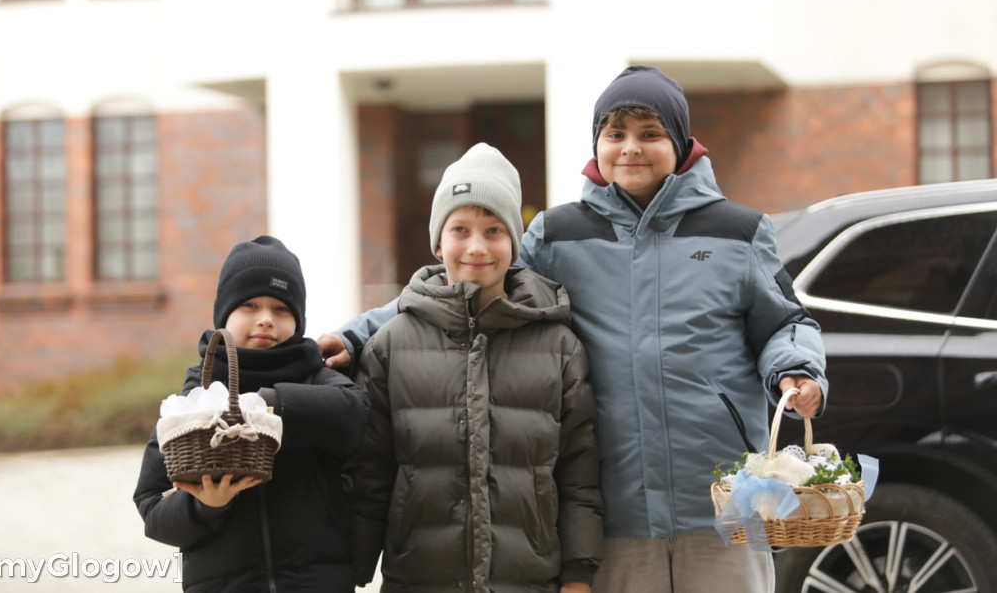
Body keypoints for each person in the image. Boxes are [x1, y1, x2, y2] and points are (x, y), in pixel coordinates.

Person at [319, 67, 828, 592]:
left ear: (680, 143)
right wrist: (359, 335)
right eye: (615, 134)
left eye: (650, 134)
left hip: (723, 502)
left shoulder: (737, 232)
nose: (631, 148)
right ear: (597, 144)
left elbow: (786, 321)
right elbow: (471, 291)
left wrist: (796, 369)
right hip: (617, 511)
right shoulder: (559, 235)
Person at [342, 143, 604, 592]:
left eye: (494, 230)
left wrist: (578, 574)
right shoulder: (391, 345)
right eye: (460, 229)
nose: (477, 247)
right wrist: (347, 572)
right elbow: (370, 476)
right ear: (438, 242)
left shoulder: (558, 345)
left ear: (514, 243)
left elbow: (579, 473)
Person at [134, 235, 370, 592]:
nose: (265, 320)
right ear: (224, 315)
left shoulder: (317, 377)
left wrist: (266, 402)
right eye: (249, 306)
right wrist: (204, 507)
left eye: (281, 309)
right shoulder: (199, 394)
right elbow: (152, 511)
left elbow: (355, 415)